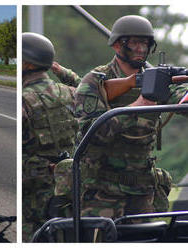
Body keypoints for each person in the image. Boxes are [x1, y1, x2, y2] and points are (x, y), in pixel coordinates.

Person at [55, 15, 187, 221]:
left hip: (141, 191)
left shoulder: (158, 79)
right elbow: (90, 135)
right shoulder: (96, 81)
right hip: (100, 192)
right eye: (135, 43)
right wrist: (137, 105)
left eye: (145, 43)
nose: (141, 49)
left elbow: (181, 97)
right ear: (117, 45)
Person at [22, 32, 79, 241]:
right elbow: (92, 91)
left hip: (32, 206)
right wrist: (61, 71)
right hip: (67, 198)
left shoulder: (23, 100)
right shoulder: (73, 94)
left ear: (27, 64)